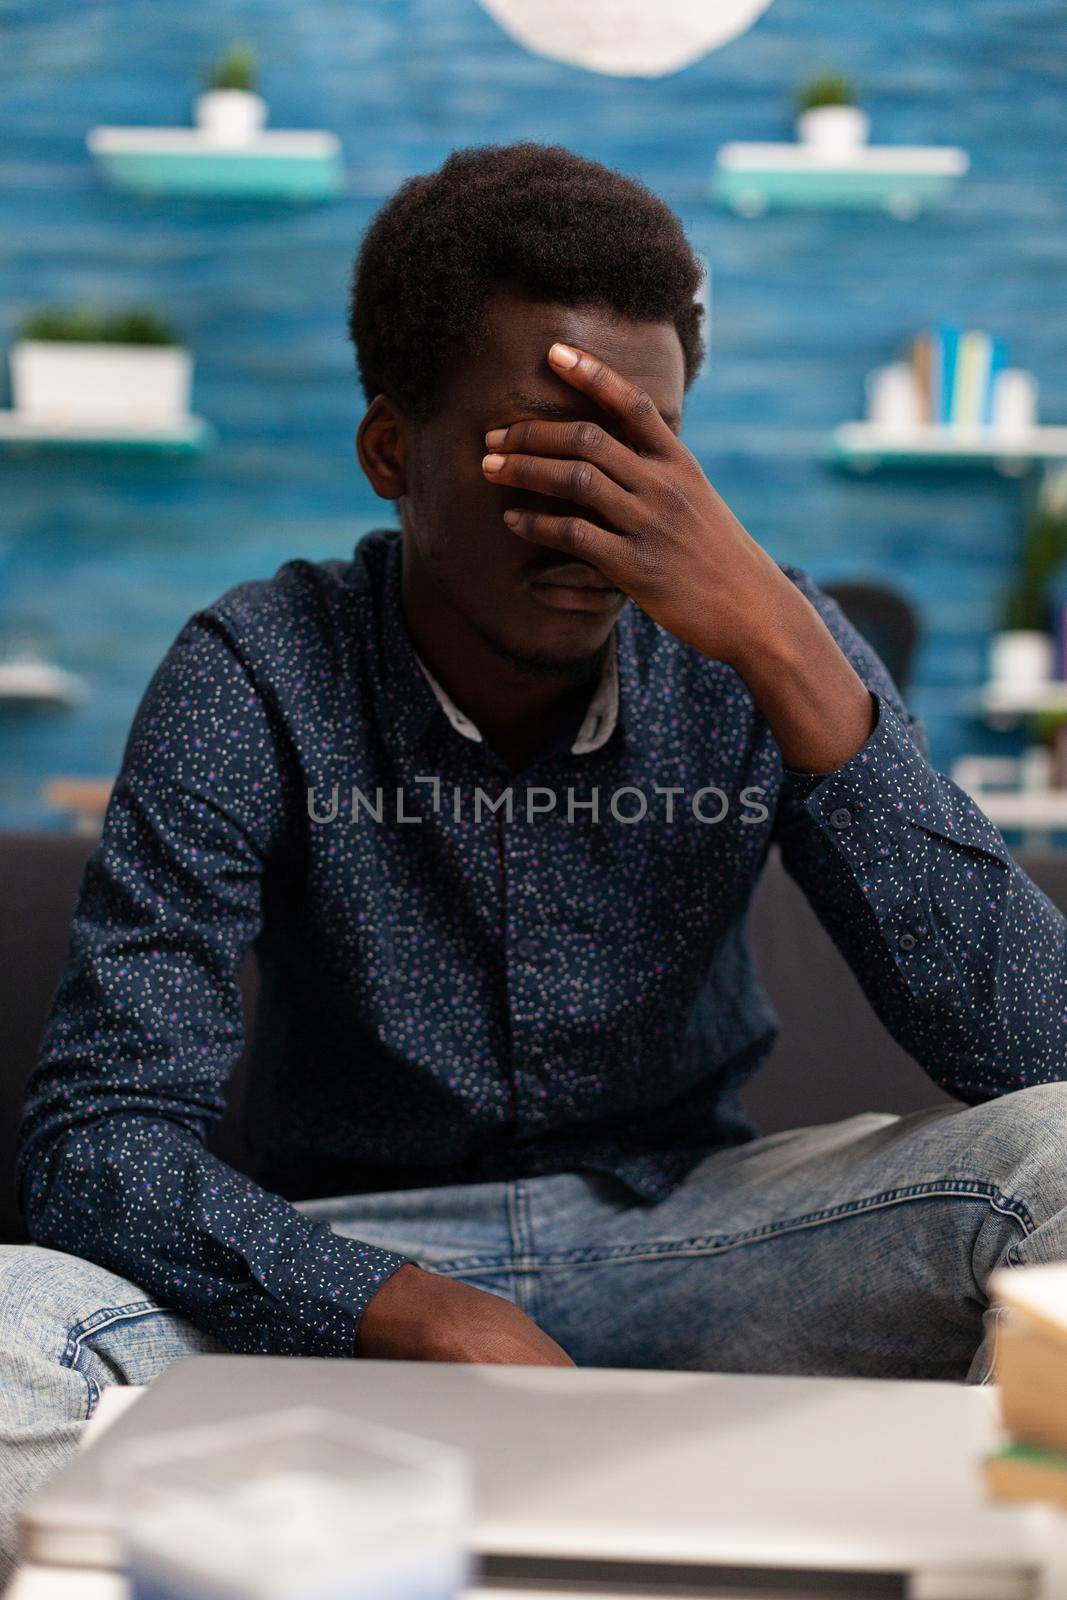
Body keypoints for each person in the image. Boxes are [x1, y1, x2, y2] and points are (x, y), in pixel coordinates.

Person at [3, 140, 1066, 1577]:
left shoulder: (771, 644)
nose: (595, 520)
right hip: (346, 1259)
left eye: (640, 453)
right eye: (540, 453)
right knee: (14, 1325)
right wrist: (408, 1307)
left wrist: (776, 648)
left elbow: (1033, 1044)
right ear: (393, 450)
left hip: (694, 1234)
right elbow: (96, 1144)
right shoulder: (254, 673)